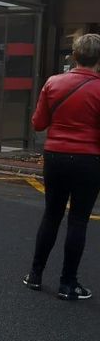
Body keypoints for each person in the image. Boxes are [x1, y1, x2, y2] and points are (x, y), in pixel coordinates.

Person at [24, 33, 100, 301]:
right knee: (78, 220)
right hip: (89, 159)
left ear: (74, 56)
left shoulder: (53, 83)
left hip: (55, 155)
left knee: (52, 215)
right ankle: (68, 283)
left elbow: (38, 123)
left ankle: (35, 275)